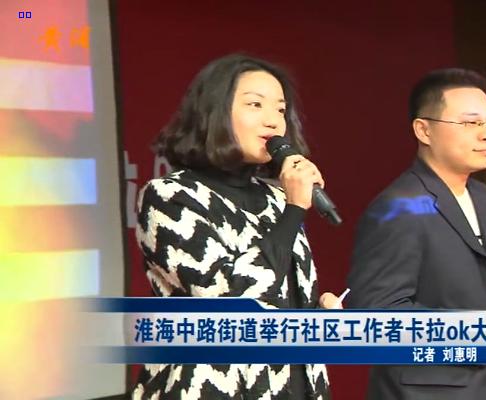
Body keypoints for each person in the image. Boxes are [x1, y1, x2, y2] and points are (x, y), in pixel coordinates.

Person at [132, 53, 337, 400]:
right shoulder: (170, 197)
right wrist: (294, 210)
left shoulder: (277, 199)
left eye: (280, 110)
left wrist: (319, 315)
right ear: (215, 113)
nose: (273, 121)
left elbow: (278, 299)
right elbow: (226, 298)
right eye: (255, 105)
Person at [346, 68, 486, 400]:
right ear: (424, 130)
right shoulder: (399, 207)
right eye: (470, 123)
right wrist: (484, 333)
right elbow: (376, 314)